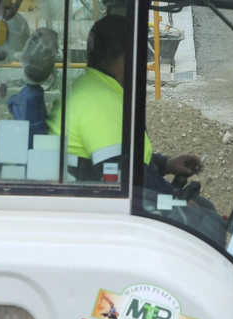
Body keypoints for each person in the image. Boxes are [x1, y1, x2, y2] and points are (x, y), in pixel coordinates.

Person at [50, 15, 203, 190]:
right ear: (125, 57)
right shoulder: (100, 104)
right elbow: (128, 177)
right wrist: (174, 198)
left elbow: (124, 157)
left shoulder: (94, 88)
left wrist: (167, 164)